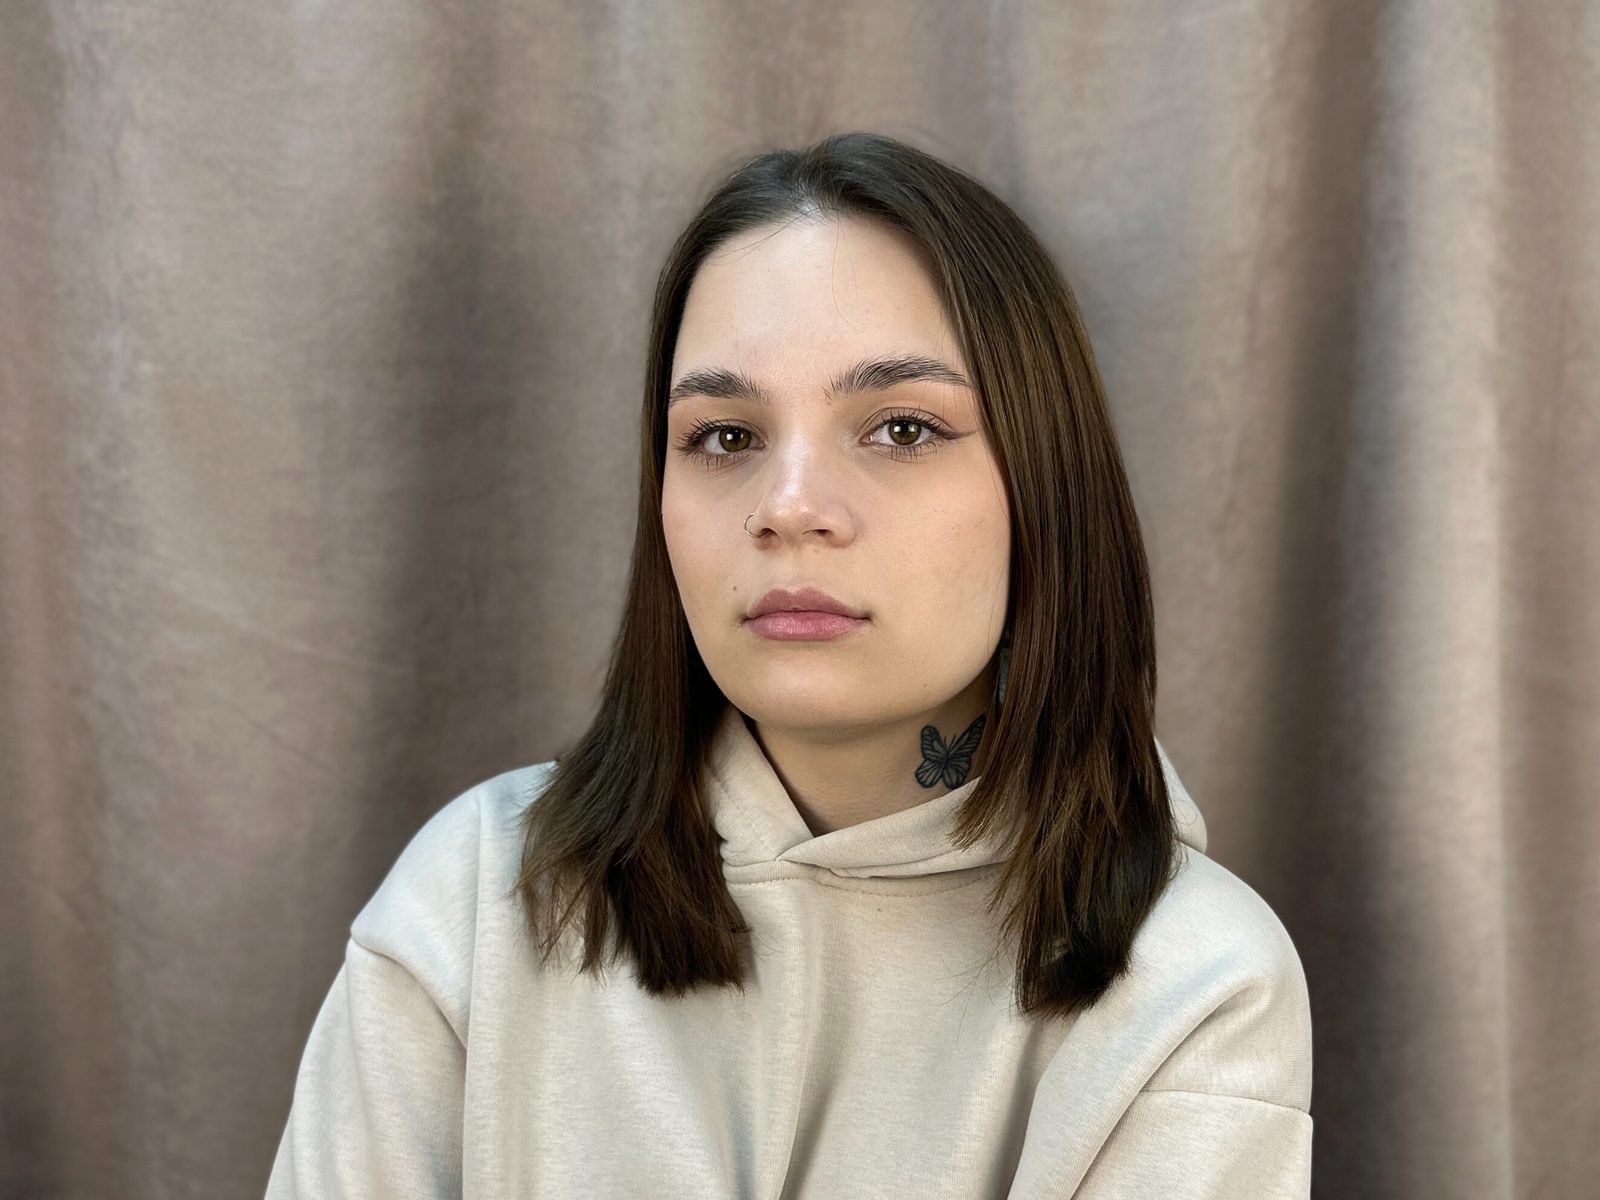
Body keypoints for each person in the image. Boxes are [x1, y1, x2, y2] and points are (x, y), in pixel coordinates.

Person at [265, 131, 1313, 1198]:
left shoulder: (1197, 984)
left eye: (901, 428)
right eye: (725, 437)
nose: (790, 506)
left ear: (1044, 487)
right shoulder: (474, 903)